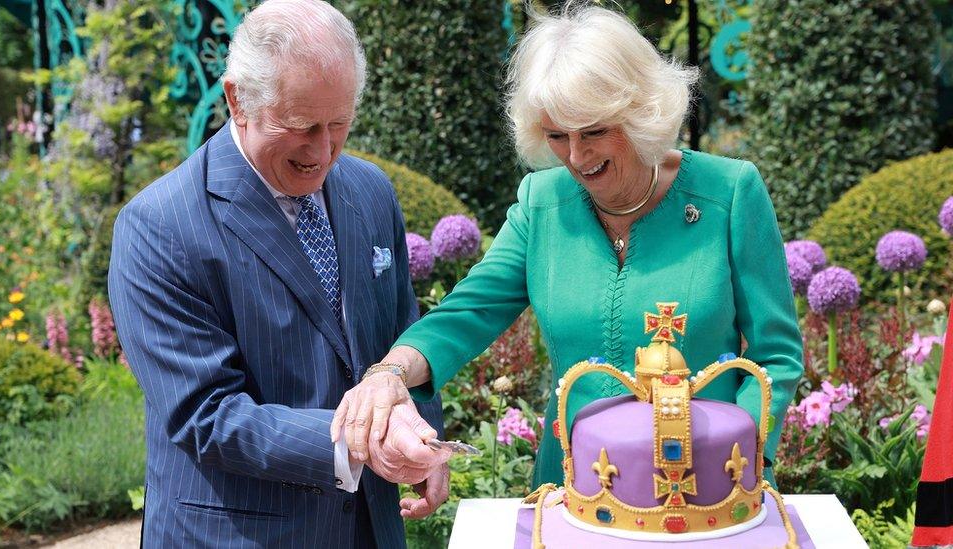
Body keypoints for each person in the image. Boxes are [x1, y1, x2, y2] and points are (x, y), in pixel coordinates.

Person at [332, 3, 804, 491]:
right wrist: (389, 372)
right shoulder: (542, 204)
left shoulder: (729, 193)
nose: (577, 158)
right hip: (575, 486)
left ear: (641, 112)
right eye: (558, 136)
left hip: (706, 484)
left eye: (596, 132)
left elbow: (776, 353)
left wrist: (746, 455)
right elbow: (465, 314)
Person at [108, 1, 449, 547]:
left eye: (339, 124)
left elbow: (403, 337)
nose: (322, 151)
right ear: (237, 100)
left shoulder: (371, 191)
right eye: (299, 126)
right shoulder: (159, 227)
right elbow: (207, 414)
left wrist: (424, 438)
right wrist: (363, 439)